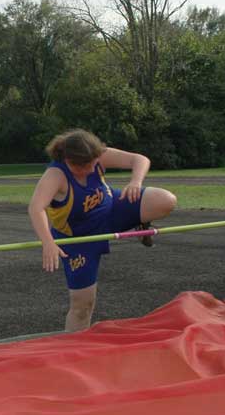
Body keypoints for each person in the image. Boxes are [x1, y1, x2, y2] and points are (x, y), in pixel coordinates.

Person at [28, 129, 177, 332]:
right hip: (78, 238)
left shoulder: (96, 155)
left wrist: (135, 182)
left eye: (94, 162)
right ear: (69, 160)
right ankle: (74, 353)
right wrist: (48, 242)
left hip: (112, 210)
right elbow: (36, 207)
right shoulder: (56, 175)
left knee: (165, 200)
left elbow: (139, 159)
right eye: (84, 166)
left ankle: (140, 221)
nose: (92, 169)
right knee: (82, 306)